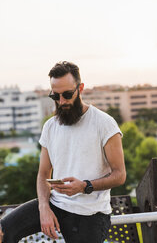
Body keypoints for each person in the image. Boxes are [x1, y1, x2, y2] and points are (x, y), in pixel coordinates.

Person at [0, 61, 126, 243]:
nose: (62, 101)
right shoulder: (50, 126)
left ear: (80, 88)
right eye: (55, 96)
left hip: (90, 213)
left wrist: (85, 185)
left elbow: (120, 175)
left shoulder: (104, 124)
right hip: (55, 204)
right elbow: (43, 173)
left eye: (67, 94)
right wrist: (43, 207)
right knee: (3, 231)